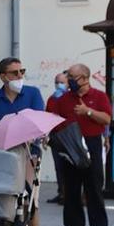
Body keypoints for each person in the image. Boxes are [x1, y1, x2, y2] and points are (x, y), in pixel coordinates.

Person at [0, 57, 45, 226]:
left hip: (28, 154)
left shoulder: (32, 94)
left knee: (30, 201)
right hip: (2, 154)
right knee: (5, 197)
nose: (20, 76)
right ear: (3, 77)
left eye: (22, 72)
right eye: (14, 73)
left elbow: (37, 124)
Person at [54, 64, 112, 226]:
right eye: (68, 75)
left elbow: (106, 119)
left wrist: (87, 111)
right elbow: (55, 121)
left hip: (92, 144)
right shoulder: (63, 99)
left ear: (85, 78)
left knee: (94, 189)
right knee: (71, 190)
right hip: (71, 146)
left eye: (73, 76)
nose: (69, 80)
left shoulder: (99, 96)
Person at [45, 72, 68, 204]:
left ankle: (69, 194)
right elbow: (48, 117)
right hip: (55, 136)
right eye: (57, 82)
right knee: (58, 166)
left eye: (62, 82)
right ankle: (61, 193)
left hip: (68, 136)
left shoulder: (71, 98)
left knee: (68, 167)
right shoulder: (52, 99)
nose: (59, 85)